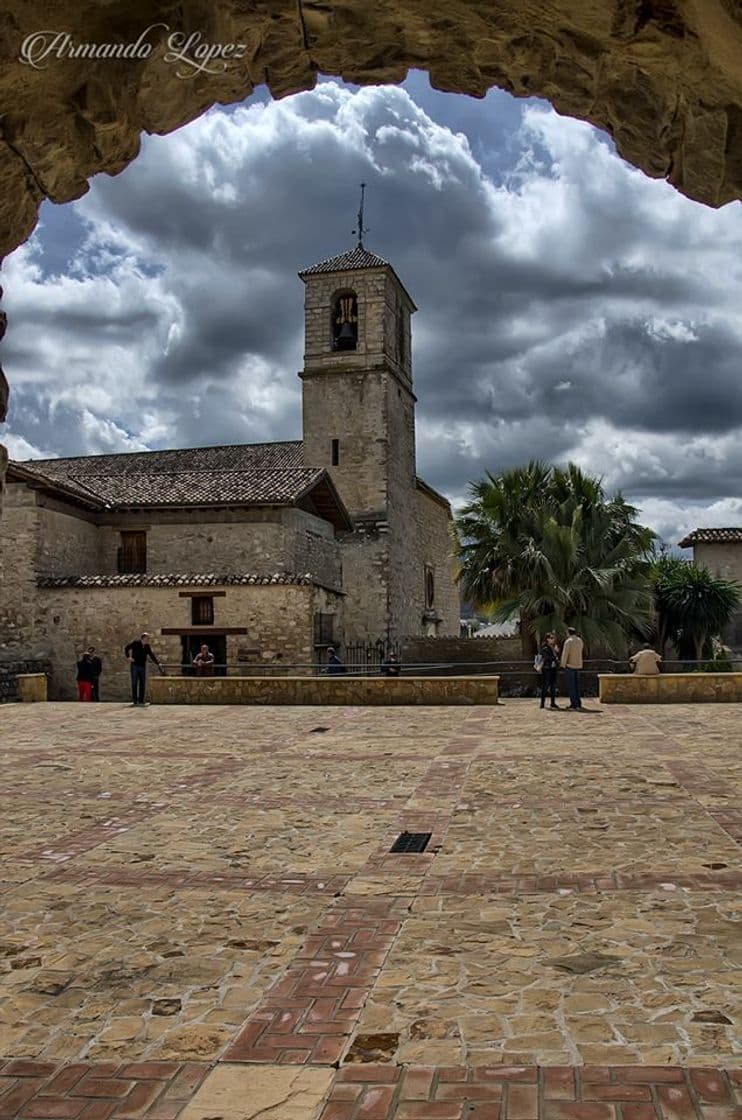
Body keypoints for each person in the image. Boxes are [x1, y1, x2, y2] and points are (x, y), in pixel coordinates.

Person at [124, 631, 162, 706]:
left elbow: (151, 655)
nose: (148, 640)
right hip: (135, 666)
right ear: (143, 638)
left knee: (142, 683)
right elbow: (126, 648)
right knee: (134, 683)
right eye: (147, 638)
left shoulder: (147, 646)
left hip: (142, 666)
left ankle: (141, 700)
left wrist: (158, 663)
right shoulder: (135, 643)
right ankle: (135, 700)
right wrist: (128, 657)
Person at [560, 625, 584, 710]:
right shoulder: (580, 640)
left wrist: (563, 664)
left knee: (571, 686)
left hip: (570, 666)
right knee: (577, 686)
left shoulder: (568, 641)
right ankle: (578, 703)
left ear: (568, 633)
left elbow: (565, 654)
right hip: (578, 665)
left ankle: (573, 704)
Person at [538, 632, 561, 709]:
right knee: (545, 686)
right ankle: (542, 703)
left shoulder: (554, 647)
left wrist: (556, 653)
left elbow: (556, 657)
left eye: (553, 638)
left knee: (553, 686)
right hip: (547, 668)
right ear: (547, 639)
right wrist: (555, 656)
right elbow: (547, 657)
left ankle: (553, 702)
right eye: (551, 638)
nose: (553, 640)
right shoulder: (545, 648)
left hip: (553, 668)